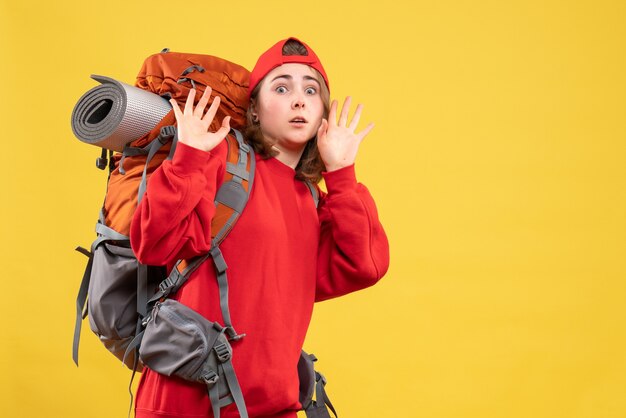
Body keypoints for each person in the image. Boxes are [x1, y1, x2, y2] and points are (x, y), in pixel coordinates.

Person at [130, 37, 390, 418]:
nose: (299, 99)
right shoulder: (222, 158)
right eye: (281, 87)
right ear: (254, 111)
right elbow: (154, 244)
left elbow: (364, 265)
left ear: (322, 114)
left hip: (274, 407)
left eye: (311, 90)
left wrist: (342, 175)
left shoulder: (315, 199)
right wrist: (188, 157)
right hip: (184, 406)